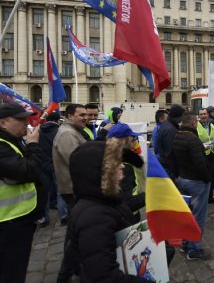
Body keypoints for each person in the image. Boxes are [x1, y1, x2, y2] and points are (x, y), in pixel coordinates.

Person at [60, 139, 150, 282]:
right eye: (115, 163)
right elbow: (103, 277)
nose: (122, 166)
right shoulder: (94, 217)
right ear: (99, 172)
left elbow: (121, 211)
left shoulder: (104, 197)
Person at [0, 103, 47, 283]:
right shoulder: (2, 145)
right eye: (20, 119)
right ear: (3, 123)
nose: (25, 122)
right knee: (11, 272)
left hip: (19, 219)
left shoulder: (12, 140)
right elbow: (29, 171)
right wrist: (33, 146)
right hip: (9, 223)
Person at [173, 111, 212, 260]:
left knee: (187, 215)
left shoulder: (177, 135)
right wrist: (207, 178)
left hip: (183, 179)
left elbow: (174, 158)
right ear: (193, 122)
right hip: (196, 182)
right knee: (198, 217)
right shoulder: (192, 139)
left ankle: (185, 244)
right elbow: (200, 163)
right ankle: (194, 250)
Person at [53, 104, 87, 211]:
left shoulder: (72, 130)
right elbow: (77, 162)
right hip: (74, 188)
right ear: (70, 116)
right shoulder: (68, 133)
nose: (85, 118)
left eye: (86, 115)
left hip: (75, 186)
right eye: (82, 115)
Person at [37, 112, 68, 228]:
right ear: (57, 120)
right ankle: (64, 217)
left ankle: (43, 218)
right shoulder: (59, 132)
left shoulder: (39, 130)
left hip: (42, 166)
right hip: (56, 165)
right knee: (61, 191)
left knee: (45, 193)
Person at [197, 107, 214, 204]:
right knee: (203, 178)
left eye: (205, 114)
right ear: (198, 116)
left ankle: (210, 197)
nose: (203, 116)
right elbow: (194, 141)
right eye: (201, 114)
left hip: (212, 154)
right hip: (203, 155)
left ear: (207, 114)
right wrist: (201, 146)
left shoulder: (212, 125)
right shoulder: (196, 127)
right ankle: (203, 197)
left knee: (211, 177)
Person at [156, 104, 185, 179]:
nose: (182, 119)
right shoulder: (171, 130)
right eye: (181, 116)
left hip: (166, 165)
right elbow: (170, 153)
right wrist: (176, 173)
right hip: (170, 168)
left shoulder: (166, 125)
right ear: (177, 116)